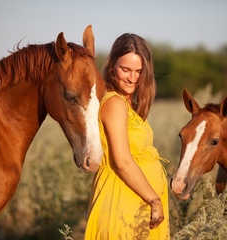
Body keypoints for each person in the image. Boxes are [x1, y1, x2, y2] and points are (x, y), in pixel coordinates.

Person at [84, 33, 170, 240]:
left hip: (138, 199)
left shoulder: (128, 102)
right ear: (112, 65)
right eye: (126, 70)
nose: (132, 78)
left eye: (139, 71)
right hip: (122, 198)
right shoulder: (114, 103)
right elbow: (122, 162)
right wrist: (154, 200)